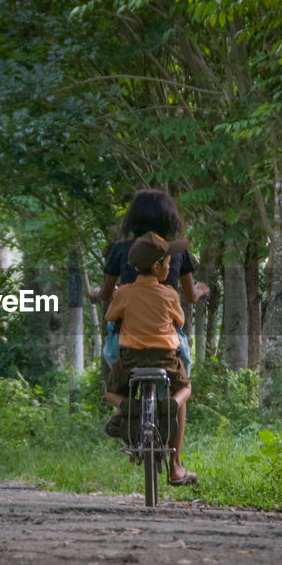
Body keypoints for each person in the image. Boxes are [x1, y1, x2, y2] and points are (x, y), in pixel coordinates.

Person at [103, 232, 197, 486]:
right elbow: (180, 320)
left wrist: (120, 300)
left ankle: (127, 408)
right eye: (167, 263)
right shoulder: (169, 294)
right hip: (165, 358)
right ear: (156, 267)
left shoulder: (124, 292)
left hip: (132, 359)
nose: (170, 266)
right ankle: (173, 404)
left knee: (110, 393)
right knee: (185, 387)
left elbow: (111, 317)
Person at [90, 189, 209, 370]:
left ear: (133, 219)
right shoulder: (177, 251)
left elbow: (106, 295)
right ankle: (177, 398)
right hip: (166, 340)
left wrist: (97, 292)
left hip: (126, 341)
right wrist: (201, 289)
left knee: (116, 370)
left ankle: (121, 395)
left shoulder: (120, 248)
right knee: (181, 379)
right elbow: (190, 296)